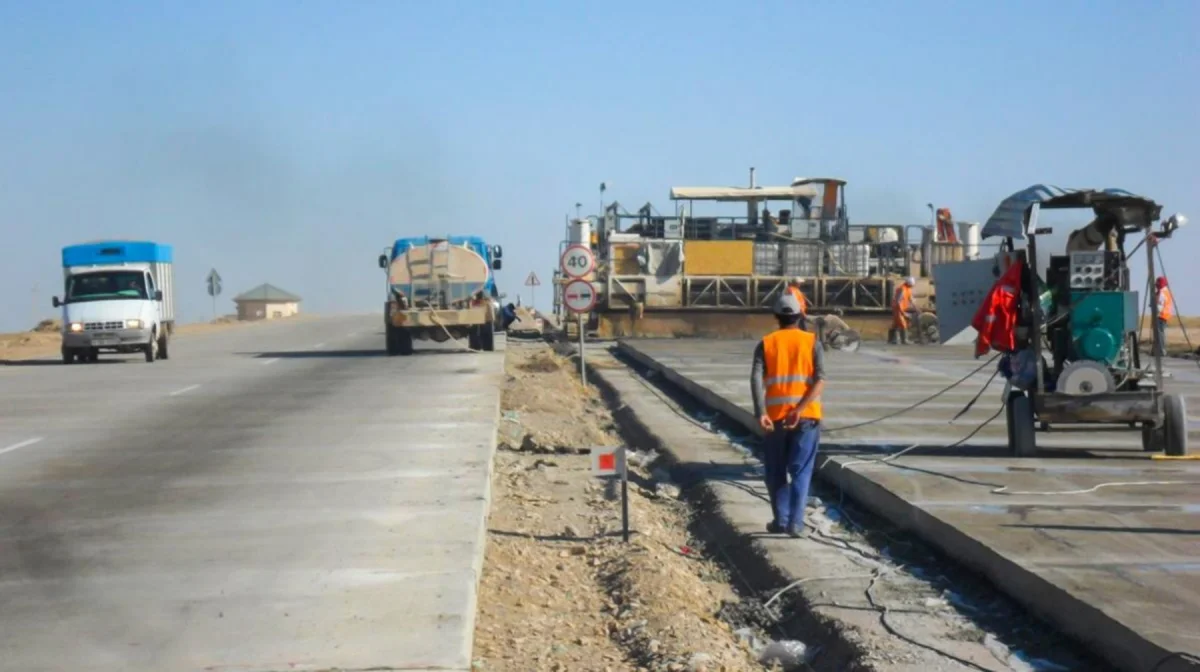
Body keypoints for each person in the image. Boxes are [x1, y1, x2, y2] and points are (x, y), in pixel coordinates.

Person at [751, 293, 825, 538]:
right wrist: (800, 409)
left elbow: (755, 379)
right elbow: (820, 381)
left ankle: (780, 520)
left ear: (776, 317)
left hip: (774, 418)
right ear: (800, 315)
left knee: (775, 470)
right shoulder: (812, 342)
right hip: (806, 418)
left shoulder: (766, 343)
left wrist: (760, 412)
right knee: (801, 470)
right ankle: (795, 523)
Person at [889, 276, 916, 345]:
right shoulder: (902, 289)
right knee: (903, 324)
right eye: (912, 285)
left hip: (899, 308)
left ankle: (891, 340)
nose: (912, 286)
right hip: (898, 308)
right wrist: (902, 312)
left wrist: (915, 306)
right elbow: (898, 301)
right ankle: (904, 340)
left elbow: (910, 298)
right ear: (908, 283)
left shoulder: (908, 288)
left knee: (895, 324)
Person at [1154, 276, 1174, 356]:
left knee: (1159, 334)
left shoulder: (1162, 293)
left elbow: (1159, 305)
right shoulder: (1166, 292)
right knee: (1161, 333)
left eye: (1157, 284)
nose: (1156, 286)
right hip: (1165, 315)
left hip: (1161, 315)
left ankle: (1161, 350)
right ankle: (1160, 349)